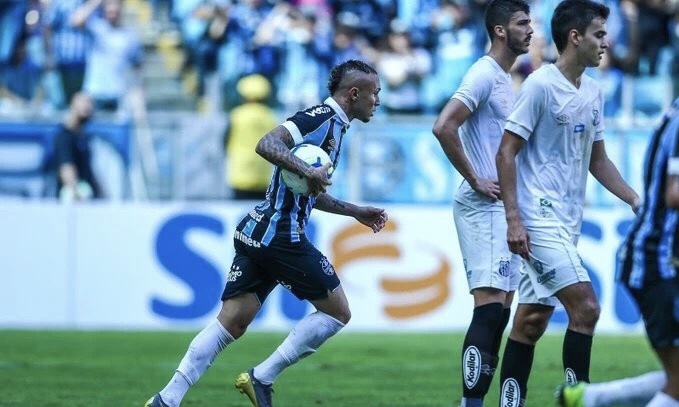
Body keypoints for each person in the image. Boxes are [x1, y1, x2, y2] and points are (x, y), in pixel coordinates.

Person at [144, 59, 388, 407]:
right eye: (374, 93)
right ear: (353, 93)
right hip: (281, 236)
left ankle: (166, 400)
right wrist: (307, 169)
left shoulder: (336, 128)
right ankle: (261, 378)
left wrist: (354, 211)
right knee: (338, 312)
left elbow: (307, 191)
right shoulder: (320, 118)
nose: (377, 100)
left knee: (231, 323)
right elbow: (267, 144)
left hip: (257, 231)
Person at [494, 1, 641, 406]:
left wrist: (635, 199)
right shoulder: (540, 85)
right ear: (575, 37)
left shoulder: (593, 91)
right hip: (536, 219)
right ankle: (580, 401)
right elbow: (506, 152)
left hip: (568, 220)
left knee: (531, 321)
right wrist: (513, 220)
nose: (606, 43)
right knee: (586, 308)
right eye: (599, 34)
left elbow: (599, 161)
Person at [431, 1, 533, 406]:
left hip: (501, 205)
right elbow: (444, 125)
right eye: (522, 23)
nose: (531, 30)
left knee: (501, 311)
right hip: (483, 203)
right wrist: (475, 177)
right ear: (500, 30)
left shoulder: (504, 78)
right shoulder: (483, 73)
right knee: (490, 309)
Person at [557, 97, 679, 407]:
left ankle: (591, 397)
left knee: (676, 373)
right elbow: (674, 193)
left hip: (659, 258)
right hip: (658, 261)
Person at [224, 74, 277, 200]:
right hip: (264, 173)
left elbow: (225, 140)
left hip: (240, 174)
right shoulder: (270, 117)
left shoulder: (236, 115)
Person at [53, 92, 102, 201]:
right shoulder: (64, 137)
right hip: (76, 201)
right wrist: (76, 193)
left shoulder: (83, 137)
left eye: (91, 103)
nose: (88, 107)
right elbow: (66, 168)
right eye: (84, 102)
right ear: (73, 106)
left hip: (90, 200)